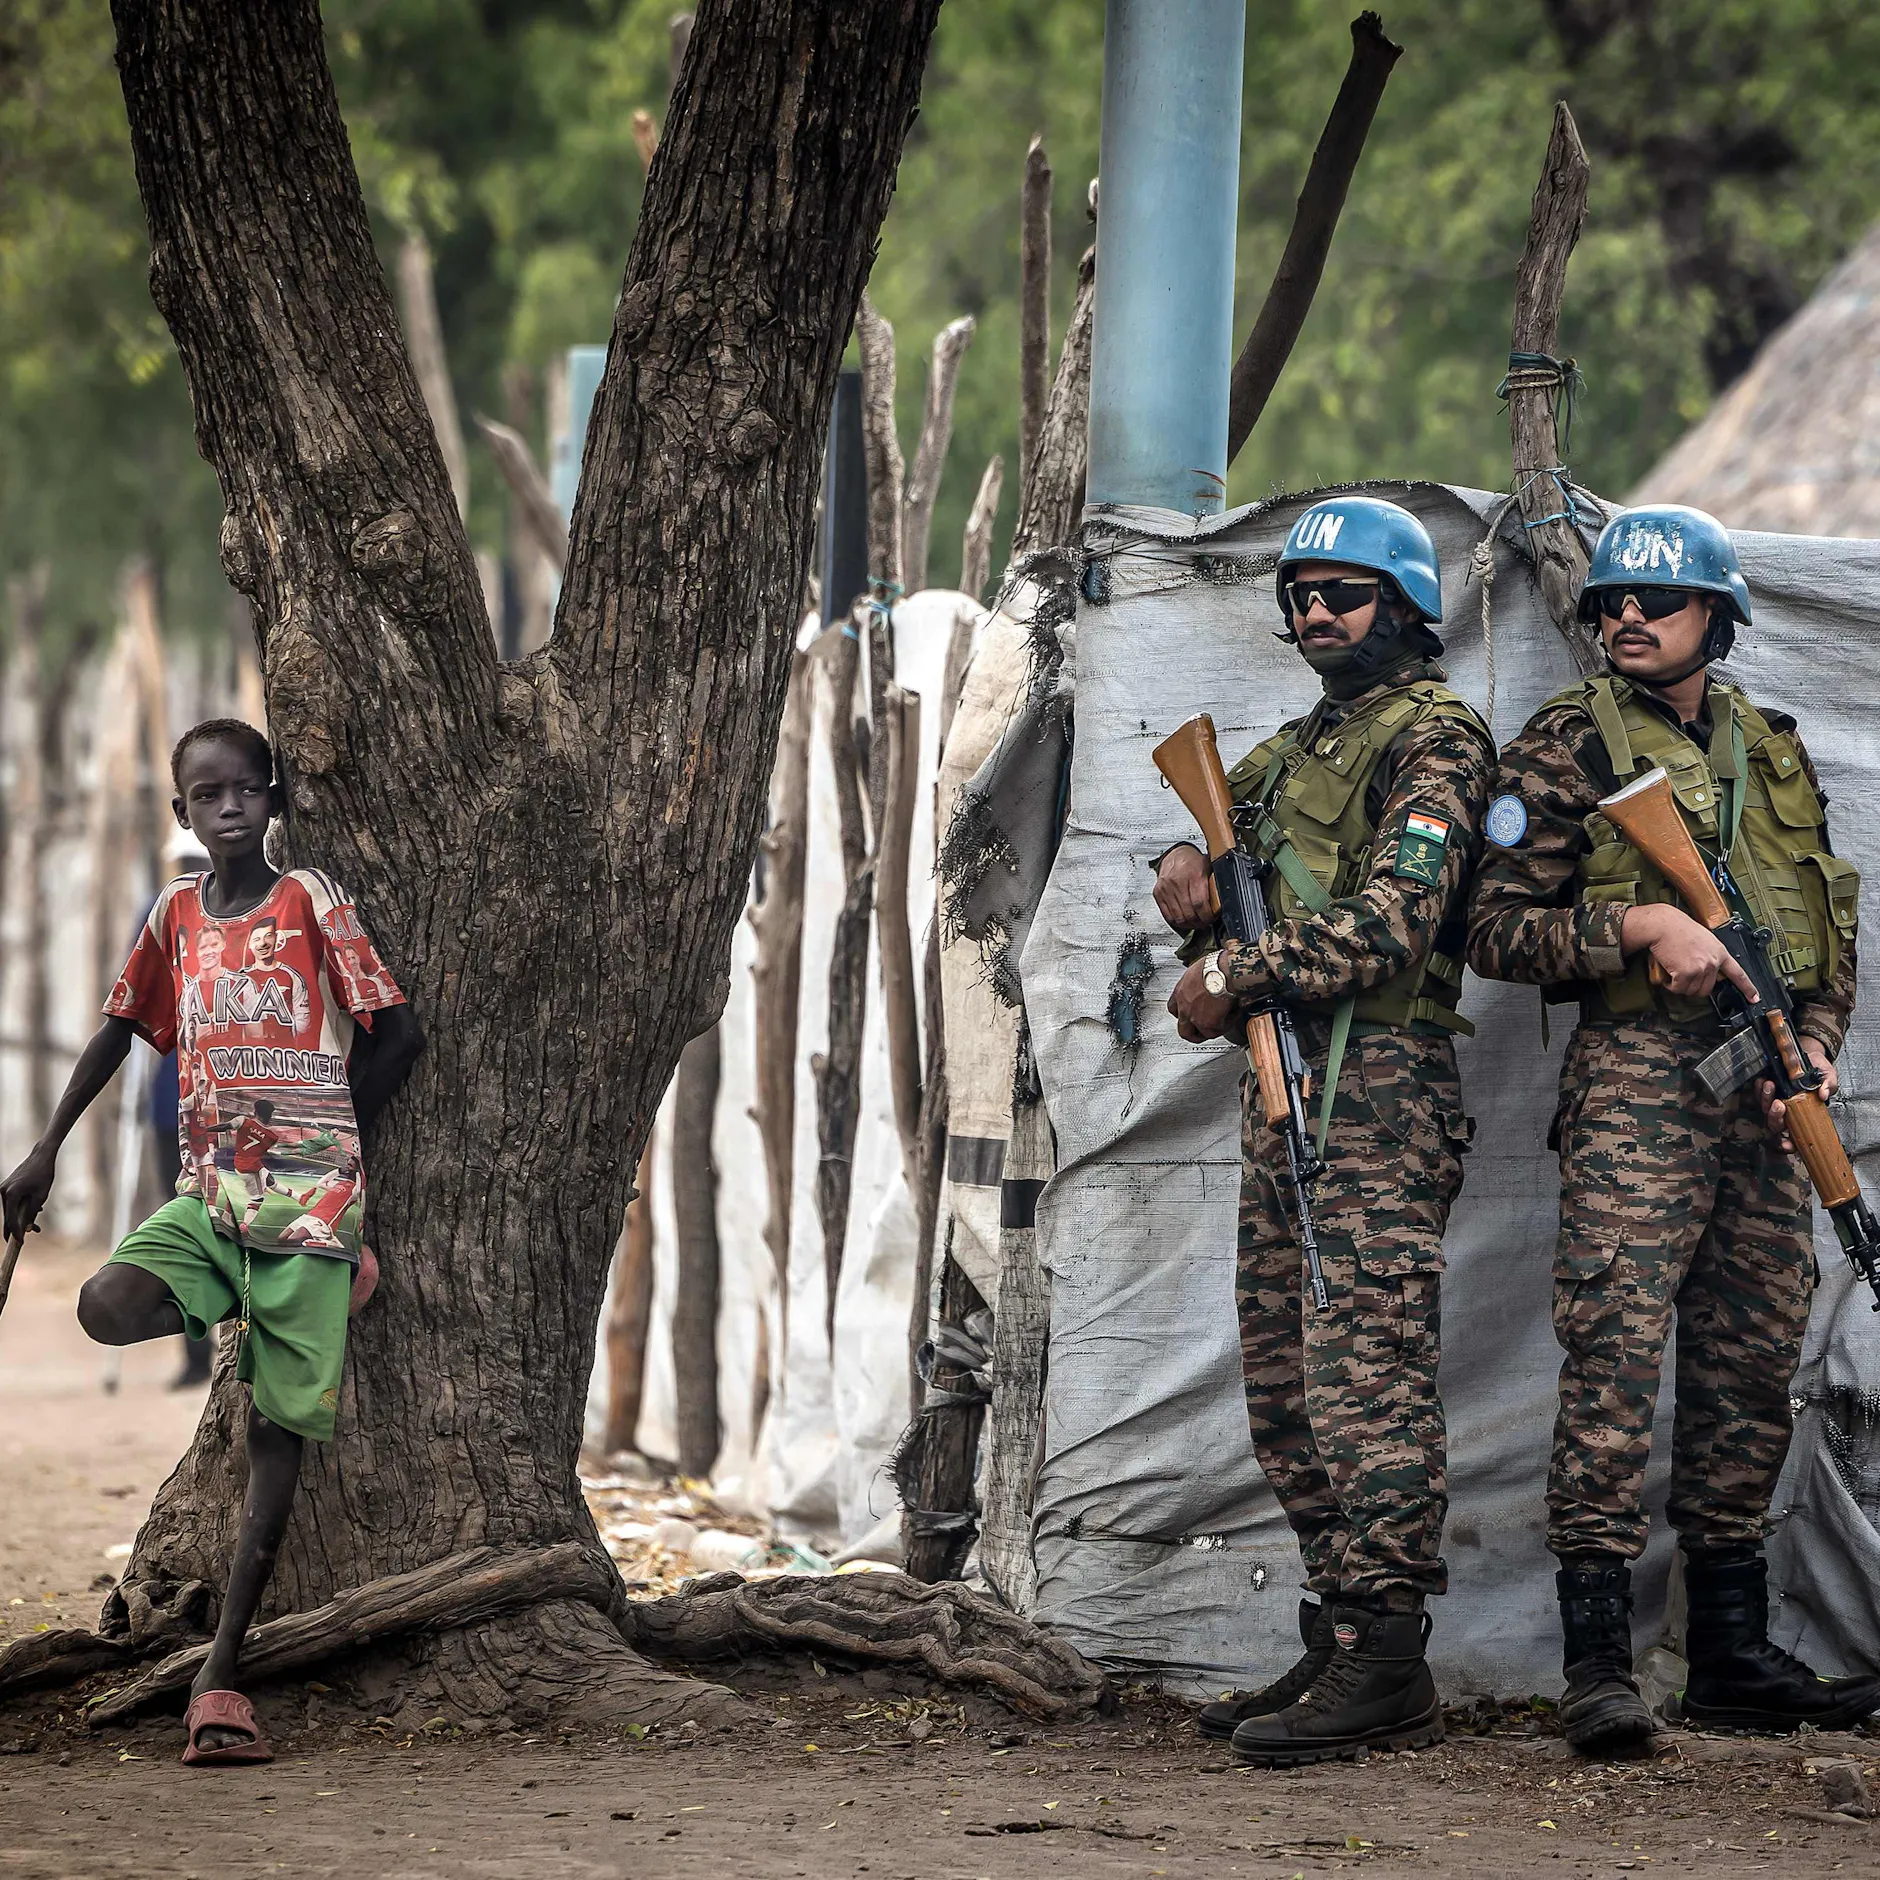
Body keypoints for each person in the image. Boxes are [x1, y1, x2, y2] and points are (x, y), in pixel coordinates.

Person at [1466, 503, 1880, 1753]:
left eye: (1656, 601)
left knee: (1750, 1367)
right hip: (1637, 1087)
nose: (1627, 618)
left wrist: (1808, 1043)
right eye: (1609, 604)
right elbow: (1489, 927)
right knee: (1611, 1358)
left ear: (1719, 617)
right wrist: (1637, 930)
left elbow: (1827, 923)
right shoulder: (1563, 747)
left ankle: (1730, 1654)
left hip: (1763, 1096)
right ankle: (1594, 1657)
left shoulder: (1774, 747)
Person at [1, 718, 425, 1767]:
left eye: (247, 787)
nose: (229, 804)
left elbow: (396, 1030)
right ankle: (262, 1303)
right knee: (107, 1302)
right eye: (207, 791)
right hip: (212, 1196)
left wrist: (331, 1141)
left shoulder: (309, 900)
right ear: (181, 812)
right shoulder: (177, 913)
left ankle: (221, 1674)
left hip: (311, 1206)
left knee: (279, 1444)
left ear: (273, 800)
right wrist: (43, 1149)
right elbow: (117, 1022)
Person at [1159, 496, 1492, 1764]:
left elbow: (1395, 922)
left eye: (1341, 593)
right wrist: (1177, 876)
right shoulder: (1302, 743)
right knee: (1286, 1383)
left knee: (1368, 1379)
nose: (1313, 613)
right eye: (1297, 593)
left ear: (1402, 607)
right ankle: (1340, 1623)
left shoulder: (1437, 738)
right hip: (1285, 1084)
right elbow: (1203, 854)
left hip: (1381, 1090)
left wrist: (1233, 977)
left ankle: (1388, 1657)